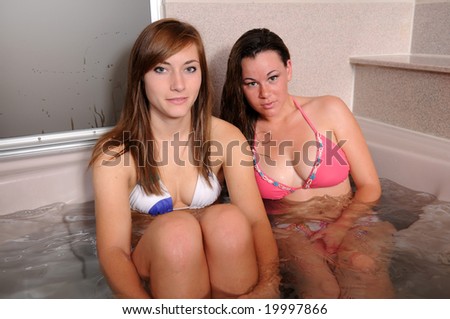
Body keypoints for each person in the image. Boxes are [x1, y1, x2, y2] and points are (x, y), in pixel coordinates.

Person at [89, 19, 280, 299]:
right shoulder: (116, 153)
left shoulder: (226, 137)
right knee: (178, 232)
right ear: (140, 76)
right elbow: (113, 252)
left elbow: (256, 223)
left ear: (201, 74)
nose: (178, 84)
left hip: (219, 266)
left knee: (229, 221)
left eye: (189, 69)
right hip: (153, 272)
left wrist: (269, 285)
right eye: (161, 69)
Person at [220, 28, 396, 298]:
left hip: (350, 218)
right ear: (240, 86)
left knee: (362, 265)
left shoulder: (329, 110)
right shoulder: (239, 134)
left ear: (288, 69)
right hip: (289, 231)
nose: (265, 93)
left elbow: (370, 186)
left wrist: (341, 226)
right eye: (251, 83)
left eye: (273, 77)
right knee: (323, 289)